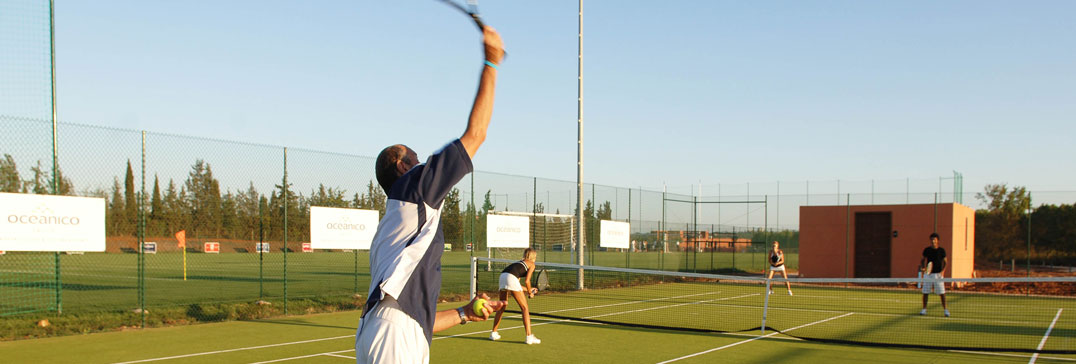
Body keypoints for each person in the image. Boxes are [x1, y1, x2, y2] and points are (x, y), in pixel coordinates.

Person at [355, 26, 507, 364]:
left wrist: (465, 313)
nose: (423, 162)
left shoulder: (395, 230)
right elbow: (476, 134)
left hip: (381, 333)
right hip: (393, 336)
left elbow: (414, 319)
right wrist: (491, 63)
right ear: (404, 165)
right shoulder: (416, 187)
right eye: (416, 157)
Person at [489, 248, 541, 344]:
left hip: (503, 276)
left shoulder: (519, 264)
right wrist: (530, 293)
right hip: (510, 278)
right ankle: (529, 337)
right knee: (525, 308)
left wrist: (530, 289)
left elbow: (517, 285)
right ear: (533, 257)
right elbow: (526, 281)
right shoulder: (532, 264)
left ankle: (493, 333)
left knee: (502, 306)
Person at [920, 233, 950, 317]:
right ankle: (924, 309)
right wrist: (923, 268)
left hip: (938, 275)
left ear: (938, 241)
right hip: (928, 275)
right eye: (932, 239)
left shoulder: (941, 251)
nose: (933, 241)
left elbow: (945, 262)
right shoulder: (927, 250)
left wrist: (943, 271)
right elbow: (922, 260)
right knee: (925, 292)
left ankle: (945, 310)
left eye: (934, 239)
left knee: (942, 293)